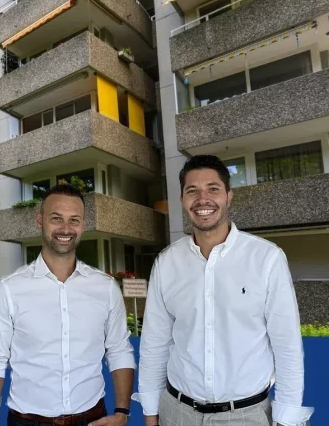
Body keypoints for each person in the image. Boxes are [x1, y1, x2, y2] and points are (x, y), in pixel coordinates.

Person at [134, 155, 314, 426]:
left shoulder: (266, 258)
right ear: (182, 200)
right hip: (177, 412)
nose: (202, 199)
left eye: (213, 189)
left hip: (247, 415)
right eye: (192, 191)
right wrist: (150, 412)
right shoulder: (166, 263)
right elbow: (154, 344)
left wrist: (286, 417)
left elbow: (286, 344)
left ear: (228, 196)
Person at [0, 183, 136, 426]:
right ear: (40, 220)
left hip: (93, 418)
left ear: (83, 225)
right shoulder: (8, 290)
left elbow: (119, 350)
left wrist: (122, 412)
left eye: (74, 220)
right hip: (27, 421)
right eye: (56, 218)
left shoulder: (105, 288)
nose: (66, 228)